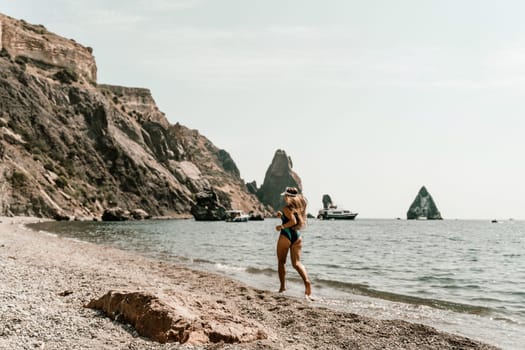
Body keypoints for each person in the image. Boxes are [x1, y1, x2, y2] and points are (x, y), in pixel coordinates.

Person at [275, 186, 312, 297]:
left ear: (287, 196)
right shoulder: (299, 208)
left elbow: (292, 221)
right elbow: (295, 221)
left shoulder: (287, 208)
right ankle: (307, 282)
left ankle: (282, 287)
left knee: (281, 262)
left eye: (285, 196)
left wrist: (281, 226)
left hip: (286, 235)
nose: (284, 198)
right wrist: (282, 217)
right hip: (297, 236)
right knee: (297, 263)